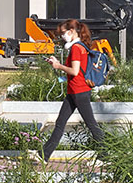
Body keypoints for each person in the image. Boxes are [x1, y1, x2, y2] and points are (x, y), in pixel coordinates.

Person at [42, 20, 106, 161]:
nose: (61, 36)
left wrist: (58, 66)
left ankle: (106, 153)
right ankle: (44, 155)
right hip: (74, 92)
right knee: (60, 123)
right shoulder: (80, 47)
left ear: (71, 31)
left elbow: (75, 71)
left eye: (63, 33)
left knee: (91, 124)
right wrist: (57, 62)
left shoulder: (76, 48)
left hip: (79, 92)